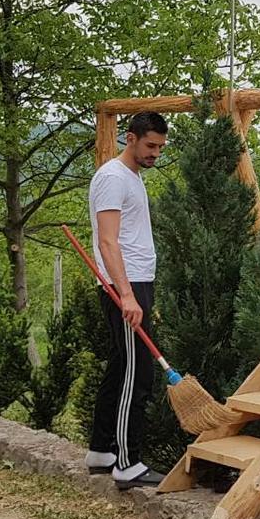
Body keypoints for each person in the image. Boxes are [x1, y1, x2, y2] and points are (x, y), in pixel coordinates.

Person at [83, 110, 168, 490]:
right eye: (150, 146)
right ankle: (127, 462)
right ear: (129, 138)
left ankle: (101, 452)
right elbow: (107, 240)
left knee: (121, 367)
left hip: (135, 282)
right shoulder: (112, 178)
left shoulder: (130, 176)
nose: (156, 154)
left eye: (161, 147)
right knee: (140, 374)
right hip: (125, 285)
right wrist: (128, 295)